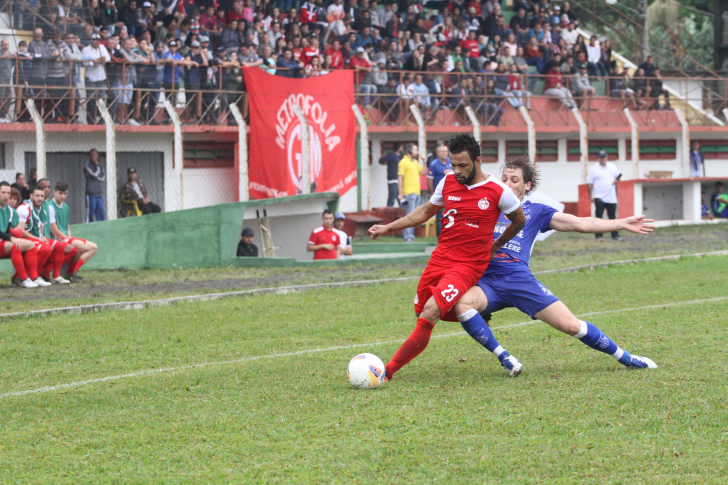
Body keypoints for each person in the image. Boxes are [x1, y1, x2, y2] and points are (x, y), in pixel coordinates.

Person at [454, 156, 657, 374]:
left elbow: (579, 223)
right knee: (462, 305)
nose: (507, 184)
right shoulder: (487, 207)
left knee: (572, 325)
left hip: (519, 281)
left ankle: (627, 358)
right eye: (504, 179)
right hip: (488, 283)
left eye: (514, 180)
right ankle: (506, 358)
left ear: (527, 185)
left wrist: (620, 223)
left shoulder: (537, 211)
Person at [368, 134, 526, 381]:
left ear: (478, 160)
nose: (457, 170)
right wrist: (389, 227)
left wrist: (497, 244)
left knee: (430, 312)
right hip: (441, 257)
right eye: (453, 165)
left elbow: (519, 220)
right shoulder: (448, 181)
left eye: (462, 165)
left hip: (468, 265)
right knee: (421, 309)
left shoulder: (499, 191)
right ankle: (475, 313)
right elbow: (425, 210)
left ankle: (387, 371)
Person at [16, 186, 74, 284]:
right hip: (24, 238)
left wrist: (42, 237)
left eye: (42, 196)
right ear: (31, 196)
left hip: (36, 238)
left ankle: (55, 276)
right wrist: (39, 239)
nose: (40, 198)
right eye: (37, 196)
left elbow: (40, 230)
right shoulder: (24, 208)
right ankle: (29, 276)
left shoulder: (42, 210)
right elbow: (20, 231)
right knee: (46, 248)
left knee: (60, 246)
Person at [49, 181, 99, 281]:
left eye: (65, 194)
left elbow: (67, 226)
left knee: (93, 247)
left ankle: (72, 271)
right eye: (60, 193)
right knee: (80, 246)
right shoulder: (50, 206)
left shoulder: (66, 207)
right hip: (57, 238)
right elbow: (54, 229)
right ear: (54, 192)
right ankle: (70, 272)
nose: (63, 196)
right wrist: (67, 239)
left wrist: (70, 238)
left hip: (66, 237)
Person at [0, 181, 41, 288]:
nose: (6, 196)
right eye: (3, 192)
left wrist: (11, 238)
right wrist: (12, 239)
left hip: (3, 242)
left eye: (8, 193)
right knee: (16, 245)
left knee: (31, 245)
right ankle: (23, 279)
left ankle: (33, 277)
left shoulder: (8, 209)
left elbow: (7, 229)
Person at [587, 150, 622, 241]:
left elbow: (618, 177)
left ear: (607, 157)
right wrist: (590, 196)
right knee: (599, 217)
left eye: (604, 157)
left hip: (611, 196)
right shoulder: (593, 169)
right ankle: (599, 236)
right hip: (599, 196)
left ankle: (615, 235)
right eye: (601, 157)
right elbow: (590, 184)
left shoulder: (612, 166)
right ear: (598, 158)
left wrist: (616, 180)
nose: (603, 159)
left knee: (612, 217)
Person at [397, 143, 427, 242]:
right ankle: (408, 237)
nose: (417, 152)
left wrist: (424, 161)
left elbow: (423, 173)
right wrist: (400, 193)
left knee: (414, 216)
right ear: (409, 151)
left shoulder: (415, 162)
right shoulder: (403, 162)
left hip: (417, 192)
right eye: (415, 150)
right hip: (409, 192)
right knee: (409, 215)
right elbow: (400, 178)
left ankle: (411, 236)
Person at [426, 145, 453, 238]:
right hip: (440, 195)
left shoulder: (451, 161)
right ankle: (440, 237)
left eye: (446, 151)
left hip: (452, 194)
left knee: (452, 215)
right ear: (438, 153)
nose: (445, 153)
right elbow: (429, 179)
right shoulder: (434, 164)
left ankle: (450, 237)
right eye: (442, 151)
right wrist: (431, 193)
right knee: (440, 216)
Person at [85, 148, 106, 222]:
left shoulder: (100, 165)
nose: (94, 156)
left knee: (101, 213)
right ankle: (88, 228)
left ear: (97, 155)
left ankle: (102, 228)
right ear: (89, 156)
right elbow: (94, 174)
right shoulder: (88, 165)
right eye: (92, 154)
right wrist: (97, 166)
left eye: (95, 154)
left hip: (99, 193)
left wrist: (97, 167)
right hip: (91, 194)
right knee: (90, 213)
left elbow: (103, 177)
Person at [379, 143, 403, 207]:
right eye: (401, 147)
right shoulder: (391, 155)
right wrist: (382, 157)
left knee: (401, 199)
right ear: (399, 148)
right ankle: (389, 212)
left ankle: (404, 214)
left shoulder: (400, 157)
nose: (402, 149)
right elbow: (381, 161)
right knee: (392, 198)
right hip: (393, 179)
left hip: (399, 180)